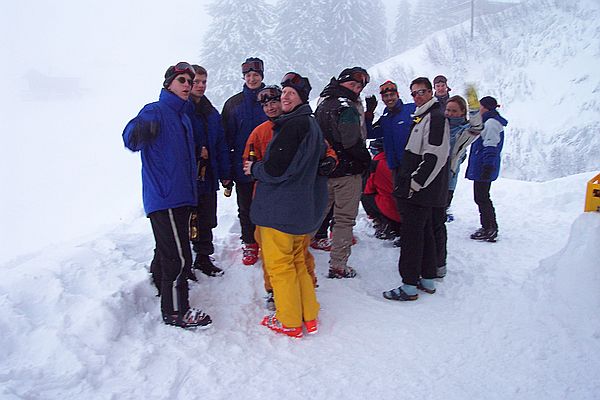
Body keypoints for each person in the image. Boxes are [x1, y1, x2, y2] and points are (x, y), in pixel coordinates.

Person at [122, 62, 212, 329]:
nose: (187, 85)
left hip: (182, 195)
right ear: (169, 84)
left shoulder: (183, 117)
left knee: (169, 250)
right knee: (179, 257)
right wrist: (140, 130)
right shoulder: (156, 110)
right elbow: (130, 139)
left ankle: (162, 287)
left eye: (190, 81)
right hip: (165, 196)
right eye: (182, 80)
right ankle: (175, 311)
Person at [244, 72, 328, 338]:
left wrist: (254, 168)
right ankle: (309, 316)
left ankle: (289, 321)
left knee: (280, 266)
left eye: (291, 93)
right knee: (298, 263)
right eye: (284, 93)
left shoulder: (293, 125)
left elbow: (276, 169)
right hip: (301, 208)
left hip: (280, 210)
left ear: (302, 97)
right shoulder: (310, 124)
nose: (285, 97)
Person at [383, 77, 450, 301]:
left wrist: (414, 183)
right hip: (422, 187)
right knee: (424, 231)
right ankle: (427, 278)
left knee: (412, 235)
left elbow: (434, 155)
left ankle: (409, 285)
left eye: (421, 92)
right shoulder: (424, 115)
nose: (417, 96)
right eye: (414, 93)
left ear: (431, 92)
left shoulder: (436, 117)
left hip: (420, 188)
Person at [315, 67, 372, 279]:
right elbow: (351, 141)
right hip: (347, 172)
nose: (356, 89)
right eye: (353, 84)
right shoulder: (346, 107)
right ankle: (338, 265)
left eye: (359, 86)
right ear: (342, 82)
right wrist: (366, 160)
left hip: (326, 169)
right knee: (344, 219)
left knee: (317, 215)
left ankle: (296, 253)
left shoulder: (323, 102)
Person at [222, 57, 268, 266]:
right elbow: (226, 139)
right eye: (248, 75)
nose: (252, 78)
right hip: (243, 166)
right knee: (246, 207)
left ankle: (268, 241)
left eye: (255, 75)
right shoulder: (234, 104)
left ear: (261, 76)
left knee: (270, 206)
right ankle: (249, 242)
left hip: (269, 166)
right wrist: (228, 170)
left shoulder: (271, 99)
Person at [188, 65, 231, 278]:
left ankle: (203, 258)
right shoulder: (183, 109)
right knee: (185, 221)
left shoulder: (211, 112)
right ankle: (181, 264)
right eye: (196, 82)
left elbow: (221, 143)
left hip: (208, 176)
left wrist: (225, 173)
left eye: (204, 82)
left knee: (206, 219)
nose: (200, 86)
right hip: (187, 178)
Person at [466, 96, 507, 243]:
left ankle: (489, 228)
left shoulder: (491, 123)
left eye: (481, 107)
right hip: (483, 166)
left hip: (484, 167)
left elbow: (491, 145)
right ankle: (488, 226)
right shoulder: (490, 121)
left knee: (482, 197)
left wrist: (487, 166)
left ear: (486, 108)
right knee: (482, 197)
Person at [361, 138, 401, 240]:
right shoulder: (400, 159)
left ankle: (382, 221)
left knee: (364, 195)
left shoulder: (376, 163)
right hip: (406, 208)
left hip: (389, 206)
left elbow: (367, 190)